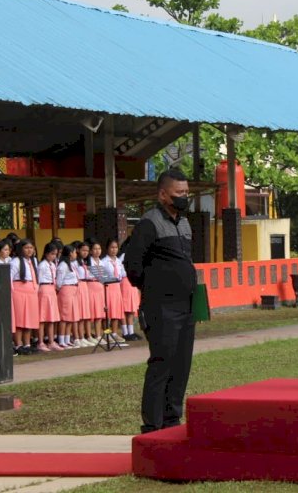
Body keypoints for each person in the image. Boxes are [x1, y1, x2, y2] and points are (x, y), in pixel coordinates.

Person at [125, 168, 196, 433]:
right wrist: (153, 289)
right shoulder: (149, 223)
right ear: (163, 194)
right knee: (161, 364)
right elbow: (133, 265)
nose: (184, 197)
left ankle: (171, 419)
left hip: (186, 305)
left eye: (186, 192)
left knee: (181, 364)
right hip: (161, 307)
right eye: (179, 193)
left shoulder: (184, 223)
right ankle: (152, 425)